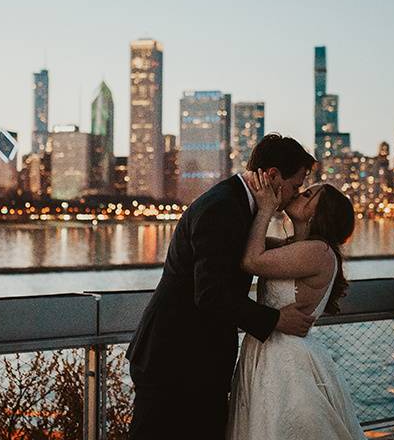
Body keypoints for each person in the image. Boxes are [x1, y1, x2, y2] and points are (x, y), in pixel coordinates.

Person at [126, 133, 317, 439]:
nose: (297, 194)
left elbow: (266, 255)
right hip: (175, 360)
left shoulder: (239, 206)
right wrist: (277, 319)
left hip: (194, 360)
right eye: (296, 186)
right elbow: (210, 294)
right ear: (272, 176)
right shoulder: (223, 208)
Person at [226, 170, 365, 439]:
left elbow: (251, 261)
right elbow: (245, 242)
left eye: (309, 194)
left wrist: (266, 208)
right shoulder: (293, 246)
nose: (300, 194)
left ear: (318, 214)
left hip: (287, 362)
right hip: (264, 351)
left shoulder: (319, 252)